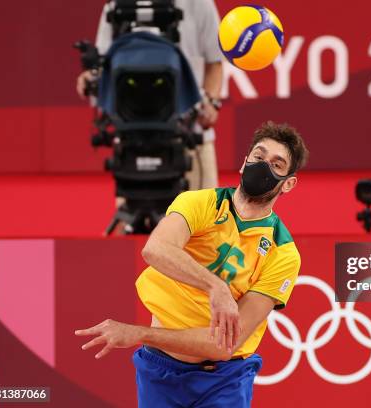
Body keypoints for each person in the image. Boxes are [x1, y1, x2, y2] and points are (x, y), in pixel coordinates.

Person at [75, 121, 309, 407]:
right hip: (159, 370)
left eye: (276, 164)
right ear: (245, 161)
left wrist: (138, 333)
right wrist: (216, 287)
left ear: (289, 183)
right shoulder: (200, 203)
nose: (263, 166)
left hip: (225, 378)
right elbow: (155, 249)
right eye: (259, 157)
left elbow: (225, 345)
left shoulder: (283, 253)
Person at [76, 0, 224, 189]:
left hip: (190, 137)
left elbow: (215, 61)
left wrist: (211, 102)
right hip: (132, 141)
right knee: (130, 217)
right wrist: (91, 77)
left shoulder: (200, 3)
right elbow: (104, 65)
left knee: (203, 217)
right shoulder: (116, 6)